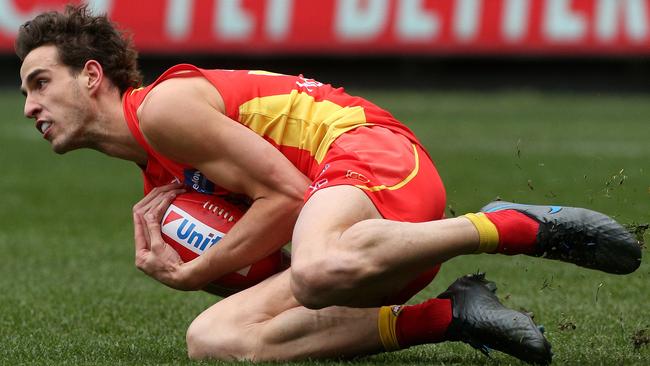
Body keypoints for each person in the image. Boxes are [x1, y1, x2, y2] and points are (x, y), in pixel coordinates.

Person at [16, 5, 641, 364]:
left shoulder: (160, 110)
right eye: (24, 91)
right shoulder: (160, 177)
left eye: (40, 82)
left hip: (370, 155)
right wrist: (207, 274)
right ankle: (453, 315)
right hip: (363, 246)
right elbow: (277, 272)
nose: (28, 106)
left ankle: (506, 226)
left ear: (92, 75)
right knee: (215, 339)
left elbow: (288, 197)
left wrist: (197, 273)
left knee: (315, 269)